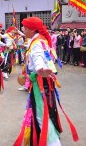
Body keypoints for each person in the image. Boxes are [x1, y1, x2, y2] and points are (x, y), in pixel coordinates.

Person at [14, 17, 78, 146]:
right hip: (43, 81)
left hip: (40, 83)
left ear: (32, 29)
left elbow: (37, 57)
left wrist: (39, 69)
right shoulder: (39, 39)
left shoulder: (37, 43)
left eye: (25, 28)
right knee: (46, 109)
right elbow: (35, 51)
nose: (23, 30)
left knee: (41, 113)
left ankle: (52, 142)